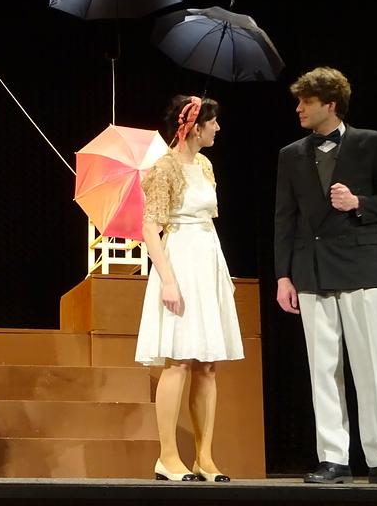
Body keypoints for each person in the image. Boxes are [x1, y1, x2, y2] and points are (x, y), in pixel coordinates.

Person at [274, 67, 377, 485]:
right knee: (323, 369)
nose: (299, 109)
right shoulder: (291, 154)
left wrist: (359, 203)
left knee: (369, 366)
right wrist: (283, 276)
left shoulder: (372, 143)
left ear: (330, 105)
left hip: (360, 268)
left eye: (307, 102)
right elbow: (284, 217)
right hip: (311, 270)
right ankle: (333, 459)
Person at [135, 95, 244, 483]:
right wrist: (168, 280)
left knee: (208, 364)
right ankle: (167, 457)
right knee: (179, 360)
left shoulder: (205, 164)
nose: (218, 129)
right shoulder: (163, 168)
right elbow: (150, 228)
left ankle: (205, 458)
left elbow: (208, 221)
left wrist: (221, 273)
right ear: (196, 128)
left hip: (207, 257)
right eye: (213, 123)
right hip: (179, 258)